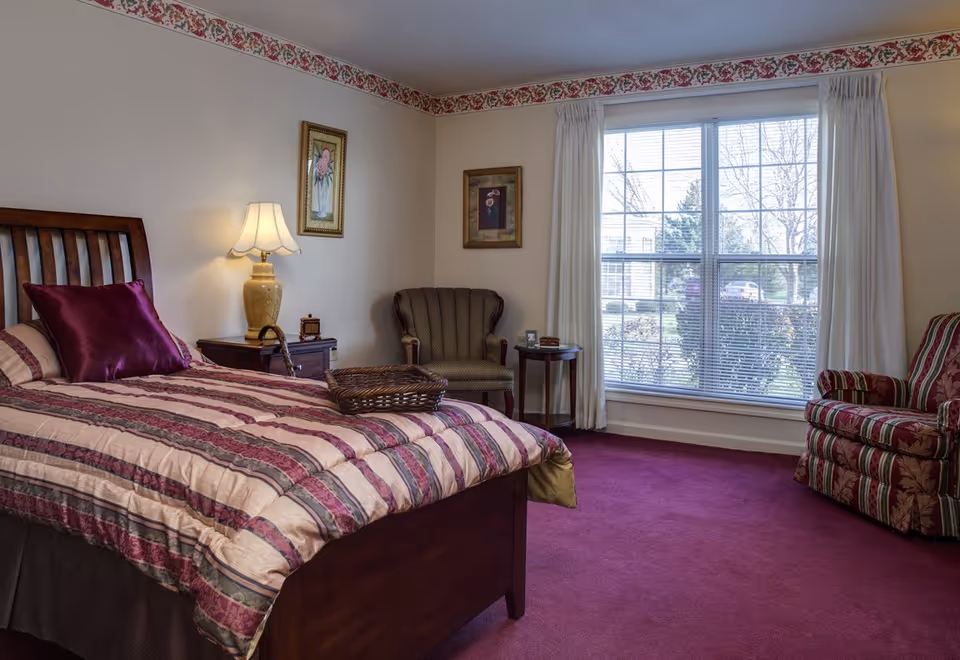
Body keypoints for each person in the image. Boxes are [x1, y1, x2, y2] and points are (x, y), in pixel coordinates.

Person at [312, 145, 335, 220]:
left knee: (324, 193)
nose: (325, 158)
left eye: (326, 156)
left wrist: (322, 172)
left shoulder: (327, 168)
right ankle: (321, 211)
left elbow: (324, 170)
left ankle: (323, 211)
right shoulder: (320, 162)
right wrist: (320, 172)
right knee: (321, 192)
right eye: (324, 155)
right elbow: (318, 169)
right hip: (320, 177)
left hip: (323, 178)